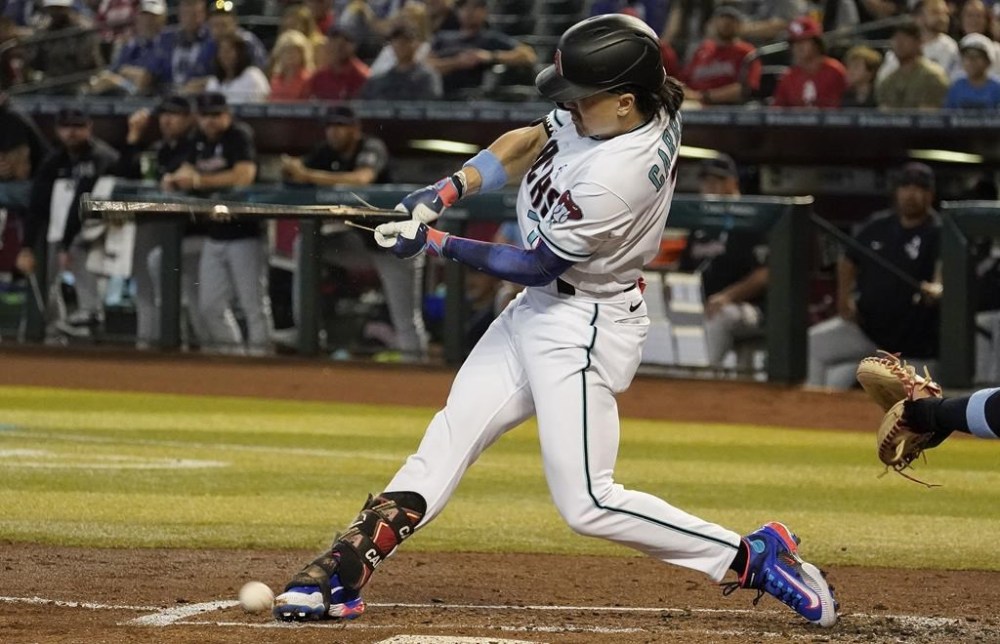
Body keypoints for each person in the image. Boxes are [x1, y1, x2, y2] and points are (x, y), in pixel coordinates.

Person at [270, 14, 838, 630]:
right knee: (448, 439)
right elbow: (531, 138)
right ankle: (349, 566)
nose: (568, 108)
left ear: (624, 103)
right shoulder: (628, 103)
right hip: (540, 312)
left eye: (581, 98)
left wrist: (434, 242)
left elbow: (537, 264)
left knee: (587, 502)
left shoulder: (618, 176)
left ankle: (750, 555)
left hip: (584, 323)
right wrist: (445, 190)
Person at [279, 105, 428, 359]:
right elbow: (294, 176)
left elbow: (362, 179)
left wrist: (307, 175)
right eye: (330, 126)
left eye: (341, 126)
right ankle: (306, 328)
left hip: (398, 244)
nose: (334, 132)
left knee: (404, 320)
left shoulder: (371, 147)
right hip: (360, 243)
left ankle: (416, 367)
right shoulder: (324, 152)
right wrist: (293, 171)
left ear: (356, 129)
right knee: (306, 243)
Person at [807, 163, 941, 389]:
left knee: (913, 412)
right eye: (905, 187)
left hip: (915, 348)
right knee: (813, 343)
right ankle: (808, 416)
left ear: (930, 194)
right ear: (897, 191)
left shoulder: (940, 230)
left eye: (919, 188)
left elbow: (943, 272)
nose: (911, 194)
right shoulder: (878, 225)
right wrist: (844, 299)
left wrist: (937, 288)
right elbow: (848, 260)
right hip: (867, 331)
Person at [163, 92, 268, 355]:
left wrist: (200, 181)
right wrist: (174, 178)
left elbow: (244, 176)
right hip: (214, 233)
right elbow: (184, 168)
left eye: (216, 115)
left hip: (244, 231)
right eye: (205, 116)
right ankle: (234, 357)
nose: (210, 121)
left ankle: (262, 361)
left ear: (227, 115)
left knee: (252, 304)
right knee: (209, 304)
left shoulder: (238, 135)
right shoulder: (198, 140)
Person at [16, 108, 119, 338]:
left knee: (90, 298)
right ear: (57, 129)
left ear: (89, 127)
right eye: (66, 127)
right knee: (43, 288)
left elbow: (82, 203)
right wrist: (27, 246)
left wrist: (67, 242)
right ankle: (51, 337)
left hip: (99, 234)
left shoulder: (103, 157)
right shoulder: (53, 161)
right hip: (59, 234)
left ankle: (90, 327)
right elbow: (38, 205)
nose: (71, 133)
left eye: (77, 127)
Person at [117, 95, 207, 350]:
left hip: (191, 231)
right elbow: (124, 171)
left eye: (174, 114)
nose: (167, 120)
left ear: (189, 117)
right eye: (164, 114)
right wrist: (133, 137)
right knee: (146, 290)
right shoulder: (160, 148)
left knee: (192, 299)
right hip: (152, 224)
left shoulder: (197, 145)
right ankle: (148, 345)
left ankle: (178, 345)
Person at [676, 155, 768, 368]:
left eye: (716, 180)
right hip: (704, 304)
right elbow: (684, 271)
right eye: (705, 181)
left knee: (721, 315)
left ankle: (700, 376)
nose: (709, 187)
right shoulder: (700, 225)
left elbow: (765, 274)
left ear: (732, 183)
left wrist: (727, 297)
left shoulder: (753, 218)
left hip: (748, 308)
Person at [426, 0, 537, 99]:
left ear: (484, 12)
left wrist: (489, 56)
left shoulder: (492, 39)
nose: (469, 12)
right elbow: (426, 66)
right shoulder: (442, 38)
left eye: (475, 7)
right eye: (464, 7)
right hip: (445, 99)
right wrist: (457, 62)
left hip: (481, 100)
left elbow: (528, 55)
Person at [681, 3, 761, 106]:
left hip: (728, 108)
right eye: (722, 18)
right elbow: (683, 82)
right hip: (694, 103)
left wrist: (703, 96)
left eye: (731, 19)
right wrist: (689, 95)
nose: (726, 23)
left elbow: (744, 89)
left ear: (739, 25)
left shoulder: (747, 52)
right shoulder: (701, 50)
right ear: (713, 23)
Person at [86, 0, 168, 97]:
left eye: (153, 16)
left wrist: (123, 74)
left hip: (149, 94)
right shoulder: (131, 44)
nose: (147, 21)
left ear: (162, 19)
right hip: (122, 91)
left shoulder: (165, 43)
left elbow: (146, 78)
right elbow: (115, 69)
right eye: (144, 15)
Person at [875, 0, 960, 84]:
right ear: (918, 17)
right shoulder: (901, 48)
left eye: (945, 13)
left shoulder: (949, 48)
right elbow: (883, 80)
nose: (943, 18)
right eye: (935, 13)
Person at [28, 0, 103, 94]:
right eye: (52, 9)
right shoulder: (44, 32)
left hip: (77, 85)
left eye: (59, 8)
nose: (56, 12)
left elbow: (88, 63)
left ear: (67, 9)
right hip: (51, 83)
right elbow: (36, 62)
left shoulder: (81, 31)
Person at [770, 16, 847, 108]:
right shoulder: (789, 76)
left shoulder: (834, 71)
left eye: (803, 41)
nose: (798, 47)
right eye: (794, 42)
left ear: (817, 43)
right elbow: (776, 111)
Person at [876, 20, 950, 109]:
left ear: (918, 42)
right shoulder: (888, 82)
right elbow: (884, 115)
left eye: (905, 38)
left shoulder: (932, 77)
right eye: (895, 38)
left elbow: (931, 115)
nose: (899, 43)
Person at [359, 23, 442, 100]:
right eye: (396, 41)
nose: (400, 45)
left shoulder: (426, 77)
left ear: (415, 44)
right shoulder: (380, 80)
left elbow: (430, 101)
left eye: (406, 41)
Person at [148, 0, 214, 93]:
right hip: (168, 97)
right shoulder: (166, 38)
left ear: (204, 12)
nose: (189, 10)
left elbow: (224, 76)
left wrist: (208, 83)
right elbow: (151, 71)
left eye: (193, 5)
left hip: (202, 98)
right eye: (185, 5)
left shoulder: (213, 38)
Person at [205, 32, 270, 102]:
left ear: (239, 53)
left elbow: (261, 105)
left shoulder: (253, 76)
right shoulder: (214, 82)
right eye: (221, 51)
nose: (225, 55)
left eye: (228, 51)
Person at [307, 27, 369, 100]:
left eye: (341, 47)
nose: (335, 50)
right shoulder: (319, 76)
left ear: (351, 48)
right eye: (332, 47)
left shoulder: (362, 76)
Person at [945, 33, 1000, 107]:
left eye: (977, 56)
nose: (971, 61)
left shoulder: (997, 87)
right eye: (967, 57)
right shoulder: (956, 86)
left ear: (988, 61)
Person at [268, 29, 315, 101]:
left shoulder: (308, 79)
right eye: (286, 51)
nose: (290, 55)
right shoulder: (276, 79)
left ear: (303, 55)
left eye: (294, 51)